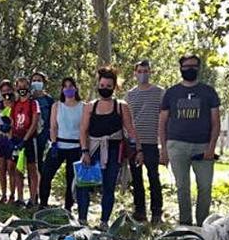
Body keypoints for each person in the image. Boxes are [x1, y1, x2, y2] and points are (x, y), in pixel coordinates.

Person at [159, 53, 221, 226]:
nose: (190, 69)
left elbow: (216, 123)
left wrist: (211, 147)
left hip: (203, 147)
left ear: (199, 68)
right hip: (176, 145)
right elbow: (162, 122)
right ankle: (185, 225)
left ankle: (202, 225)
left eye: (194, 66)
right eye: (186, 66)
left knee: (205, 188)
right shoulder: (171, 93)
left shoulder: (208, 92)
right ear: (180, 68)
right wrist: (163, 149)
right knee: (182, 188)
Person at [78, 67, 142, 228]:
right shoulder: (90, 106)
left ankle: (104, 221)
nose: (104, 88)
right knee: (83, 185)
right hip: (92, 151)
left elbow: (131, 129)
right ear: (98, 85)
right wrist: (85, 151)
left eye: (108, 86)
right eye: (102, 85)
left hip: (114, 152)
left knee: (109, 186)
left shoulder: (122, 106)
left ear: (114, 87)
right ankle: (82, 220)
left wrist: (139, 150)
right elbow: (83, 130)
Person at [126, 60, 164, 223]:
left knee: (153, 176)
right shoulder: (130, 94)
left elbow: (163, 119)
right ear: (135, 73)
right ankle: (139, 210)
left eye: (146, 71)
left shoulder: (160, 92)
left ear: (151, 72)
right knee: (136, 178)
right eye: (140, 71)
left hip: (152, 142)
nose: (143, 74)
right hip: (134, 142)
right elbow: (128, 119)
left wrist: (163, 143)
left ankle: (156, 212)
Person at [39, 77, 84, 212]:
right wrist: (53, 144)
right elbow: (53, 126)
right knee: (46, 174)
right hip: (58, 145)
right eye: (65, 86)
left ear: (75, 88)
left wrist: (84, 148)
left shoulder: (83, 106)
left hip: (76, 147)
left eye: (71, 86)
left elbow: (84, 128)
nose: (68, 89)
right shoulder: (57, 106)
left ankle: (68, 207)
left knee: (71, 178)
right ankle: (43, 203)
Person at [11, 77, 40, 206]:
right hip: (17, 139)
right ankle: (20, 198)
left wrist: (25, 139)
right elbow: (12, 122)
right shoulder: (15, 104)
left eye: (24, 86)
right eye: (19, 86)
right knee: (18, 169)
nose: (21, 88)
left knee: (32, 169)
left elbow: (34, 123)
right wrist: (12, 138)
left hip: (29, 140)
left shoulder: (33, 103)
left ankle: (33, 198)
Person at [31, 71, 55, 205]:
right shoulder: (28, 99)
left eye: (39, 80)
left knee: (43, 167)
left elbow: (53, 120)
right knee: (31, 167)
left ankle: (43, 195)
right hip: (30, 137)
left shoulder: (49, 100)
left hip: (44, 137)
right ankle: (33, 195)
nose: (36, 82)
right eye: (34, 80)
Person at [0, 80, 16, 203]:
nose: (6, 93)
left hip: (12, 140)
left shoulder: (16, 105)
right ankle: (3, 195)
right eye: (3, 91)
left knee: (11, 168)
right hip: (0, 140)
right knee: (2, 169)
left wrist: (11, 127)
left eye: (8, 90)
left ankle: (13, 195)